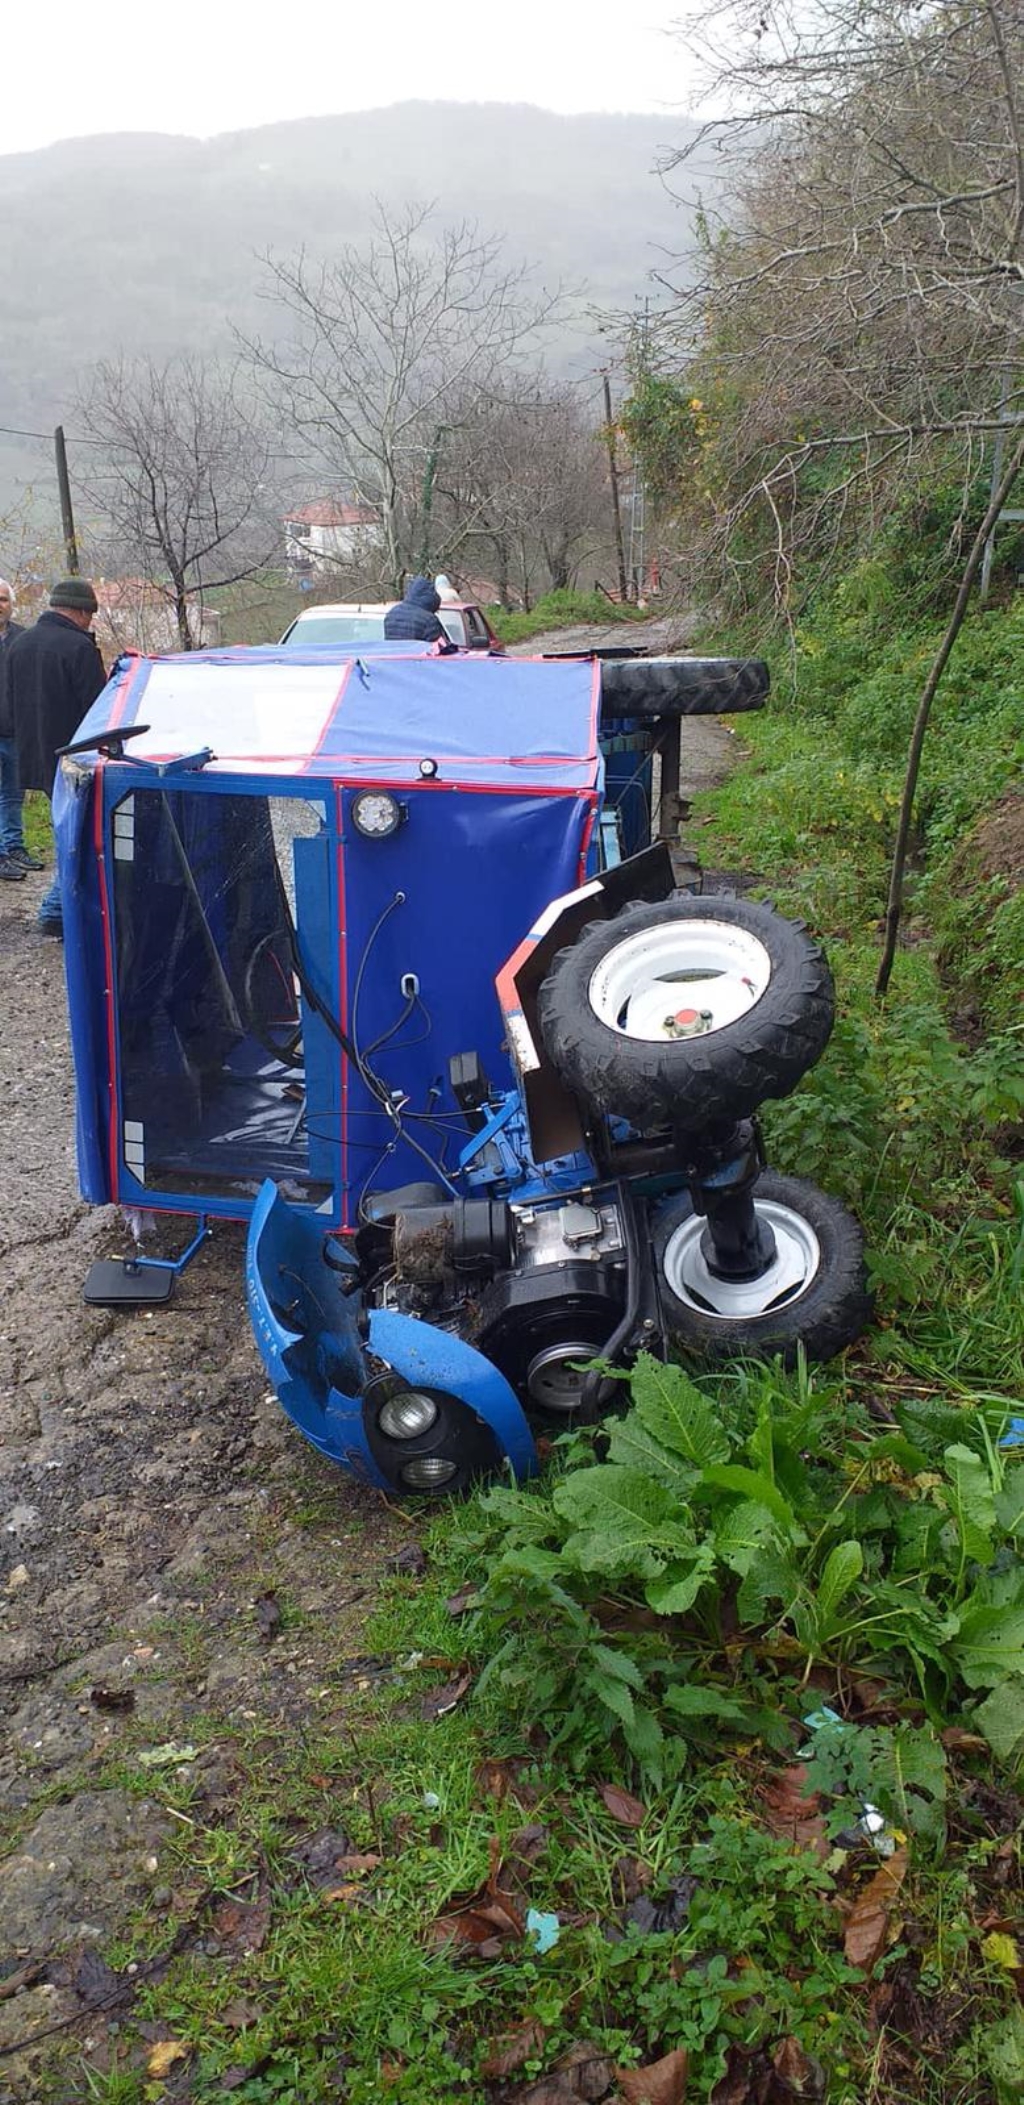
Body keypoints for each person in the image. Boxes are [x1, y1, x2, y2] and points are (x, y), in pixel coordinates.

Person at [6, 578, 107, 937]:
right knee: (79, 837)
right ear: (80, 611)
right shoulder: (79, 648)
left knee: (67, 831)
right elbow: (99, 710)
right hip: (75, 760)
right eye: (89, 615)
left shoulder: (20, 643)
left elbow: (11, 704)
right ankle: (55, 909)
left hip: (33, 755)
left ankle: (59, 909)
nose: (90, 622)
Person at [0, 578, 42, 884]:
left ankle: (14, 847)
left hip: (16, 733)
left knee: (13, 796)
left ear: (11, 605)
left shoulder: (23, 639)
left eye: (3, 599)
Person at [383, 575, 457, 649]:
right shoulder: (429, 620)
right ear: (431, 601)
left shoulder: (391, 615)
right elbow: (442, 648)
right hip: (417, 656)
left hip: (393, 656)